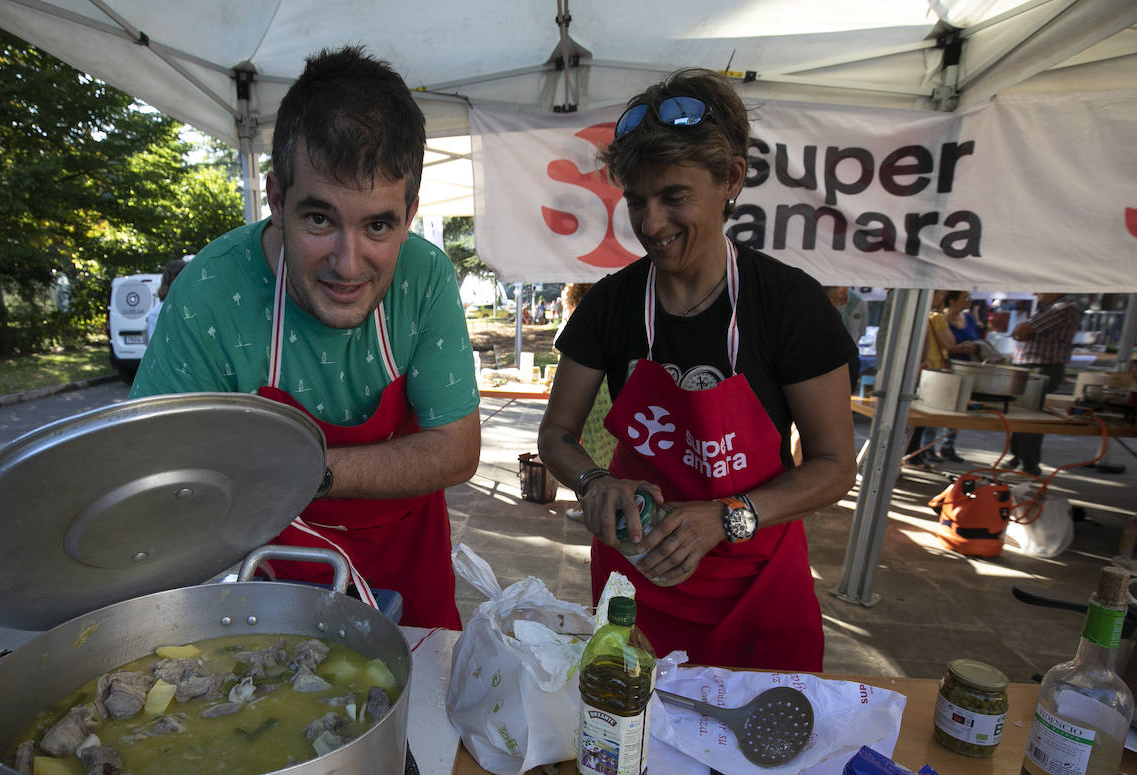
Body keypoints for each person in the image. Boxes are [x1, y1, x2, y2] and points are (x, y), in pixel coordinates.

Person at [131, 47, 480, 630]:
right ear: (276, 200)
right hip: (277, 580)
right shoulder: (211, 291)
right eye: (319, 219)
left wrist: (300, 472)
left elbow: (456, 449)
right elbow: (156, 467)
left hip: (411, 573)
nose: (348, 265)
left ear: (410, 213)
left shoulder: (425, 276)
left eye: (378, 225)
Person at [539, 69, 857, 671]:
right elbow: (556, 435)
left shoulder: (790, 306)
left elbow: (835, 466)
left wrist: (726, 517)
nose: (651, 223)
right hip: (637, 586)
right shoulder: (609, 304)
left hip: (756, 588)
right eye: (637, 201)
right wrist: (594, 483)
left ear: (732, 178)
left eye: (674, 197)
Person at [1007, 292, 1082, 476]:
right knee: (1020, 414)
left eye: (1040, 288)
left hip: (1042, 368)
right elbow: (1019, 332)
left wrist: (1021, 332)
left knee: (1030, 417)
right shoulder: (1050, 308)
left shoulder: (1063, 308)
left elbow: (1021, 331)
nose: (1035, 292)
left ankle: (1029, 466)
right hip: (1033, 367)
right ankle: (1018, 458)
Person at [906, 289, 979, 465]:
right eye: (939, 295)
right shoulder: (936, 318)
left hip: (930, 369)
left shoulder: (927, 316)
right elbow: (950, 343)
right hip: (936, 370)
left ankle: (920, 452)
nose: (941, 298)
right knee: (930, 416)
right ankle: (920, 453)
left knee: (925, 416)